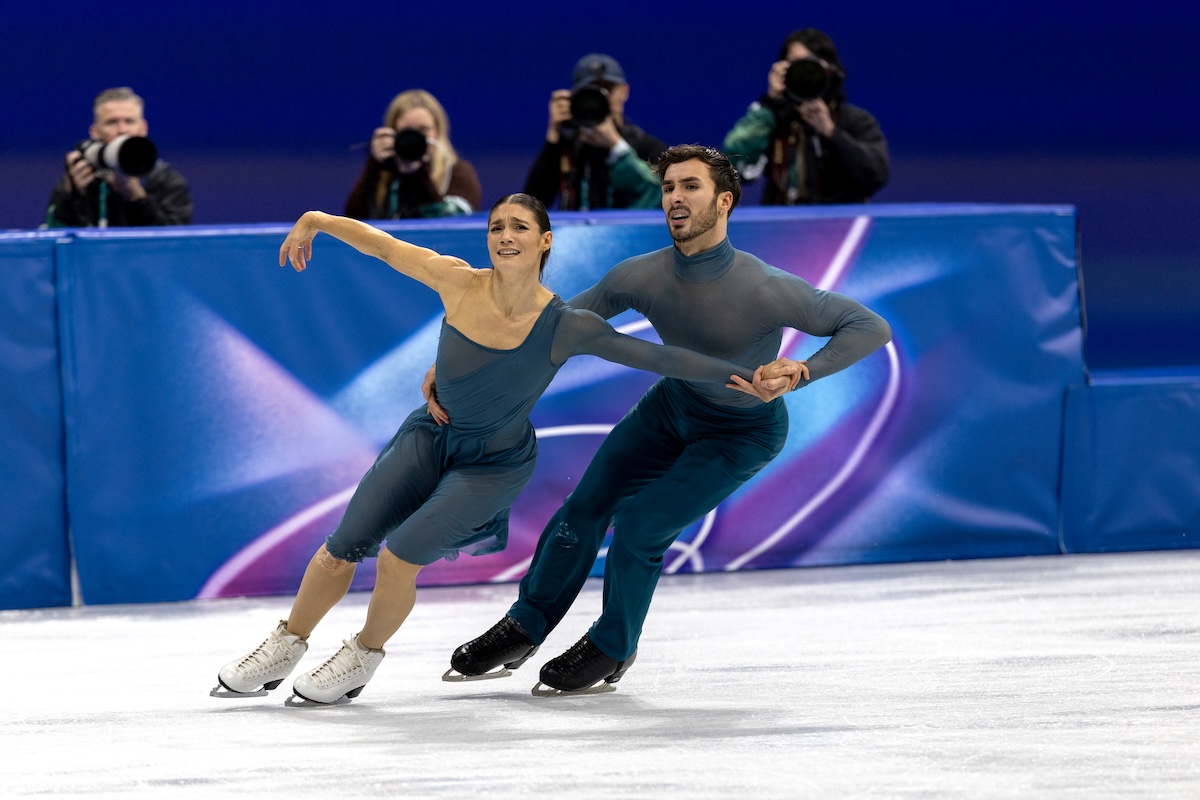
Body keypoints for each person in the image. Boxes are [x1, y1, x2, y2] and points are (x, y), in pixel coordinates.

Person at [215, 194, 800, 704]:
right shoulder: (456, 280)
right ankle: (285, 642)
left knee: (398, 556)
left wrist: (745, 374)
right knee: (340, 547)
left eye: (519, 227)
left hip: (495, 464)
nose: (505, 236)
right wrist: (316, 219)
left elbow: (661, 358)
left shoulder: (567, 324)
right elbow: (385, 247)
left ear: (545, 241)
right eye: (496, 227)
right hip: (430, 435)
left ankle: (362, 656)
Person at [448, 145, 891, 695]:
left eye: (690, 187)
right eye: (668, 188)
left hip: (742, 432)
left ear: (724, 201)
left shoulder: (764, 286)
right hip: (672, 408)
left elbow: (867, 326)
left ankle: (613, 646)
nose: (675, 198)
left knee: (641, 524)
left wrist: (803, 369)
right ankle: (527, 624)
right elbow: (552, 329)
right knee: (582, 509)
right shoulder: (640, 276)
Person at [722, 28, 889, 205]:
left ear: (831, 71)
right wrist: (770, 104)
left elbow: (876, 175)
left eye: (811, 64)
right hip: (783, 225)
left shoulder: (854, 120)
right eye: (794, 65)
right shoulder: (773, 120)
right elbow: (731, 166)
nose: (803, 72)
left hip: (840, 226)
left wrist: (831, 132)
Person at [523, 53, 667, 211]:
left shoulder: (647, 147)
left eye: (607, 90)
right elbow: (531, 207)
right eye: (591, 92)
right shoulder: (567, 148)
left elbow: (661, 197)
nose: (600, 98)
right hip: (575, 236)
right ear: (575, 98)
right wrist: (553, 136)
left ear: (624, 92)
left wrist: (615, 145)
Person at [44, 87, 192, 228]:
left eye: (129, 121)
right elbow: (52, 235)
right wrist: (71, 197)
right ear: (95, 132)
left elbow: (175, 244)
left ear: (143, 129)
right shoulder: (81, 178)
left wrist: (138, 199)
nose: (122, 130)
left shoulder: (167, 182)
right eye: (112, 122)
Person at [343, 89, 482, 220]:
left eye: (423, 130)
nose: (415, 138)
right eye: (407, 131)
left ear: (438, 131)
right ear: (392, 133)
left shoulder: (458, 173)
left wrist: (416, 172)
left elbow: (453, 220)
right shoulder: (385, 176)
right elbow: (353, 219)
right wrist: (374, 166)